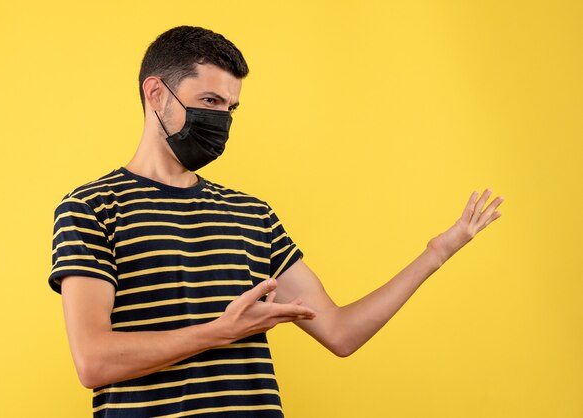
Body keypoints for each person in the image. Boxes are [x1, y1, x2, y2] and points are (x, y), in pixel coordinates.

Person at [49, 25, 504, 418]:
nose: (221, 118)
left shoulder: (252, 215)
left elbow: (340, 333)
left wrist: (436, 253)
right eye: (209, 100)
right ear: (155, 94)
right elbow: (94, 362)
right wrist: (220, 331)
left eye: (231, 107)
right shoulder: (90, 207)